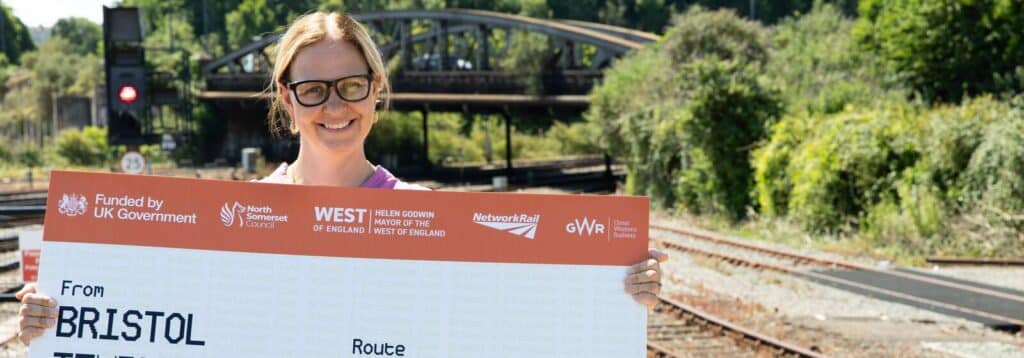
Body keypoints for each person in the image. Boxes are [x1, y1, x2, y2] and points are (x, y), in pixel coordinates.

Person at [15, 11, 668, 345]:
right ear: (286, 97)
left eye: (351, 85)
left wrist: (612, 297)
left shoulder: (426, 218)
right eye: (313, 89)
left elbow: (504, 329)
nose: (334, 106)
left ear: (376, 89)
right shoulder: (231, 223)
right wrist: (50, 325)